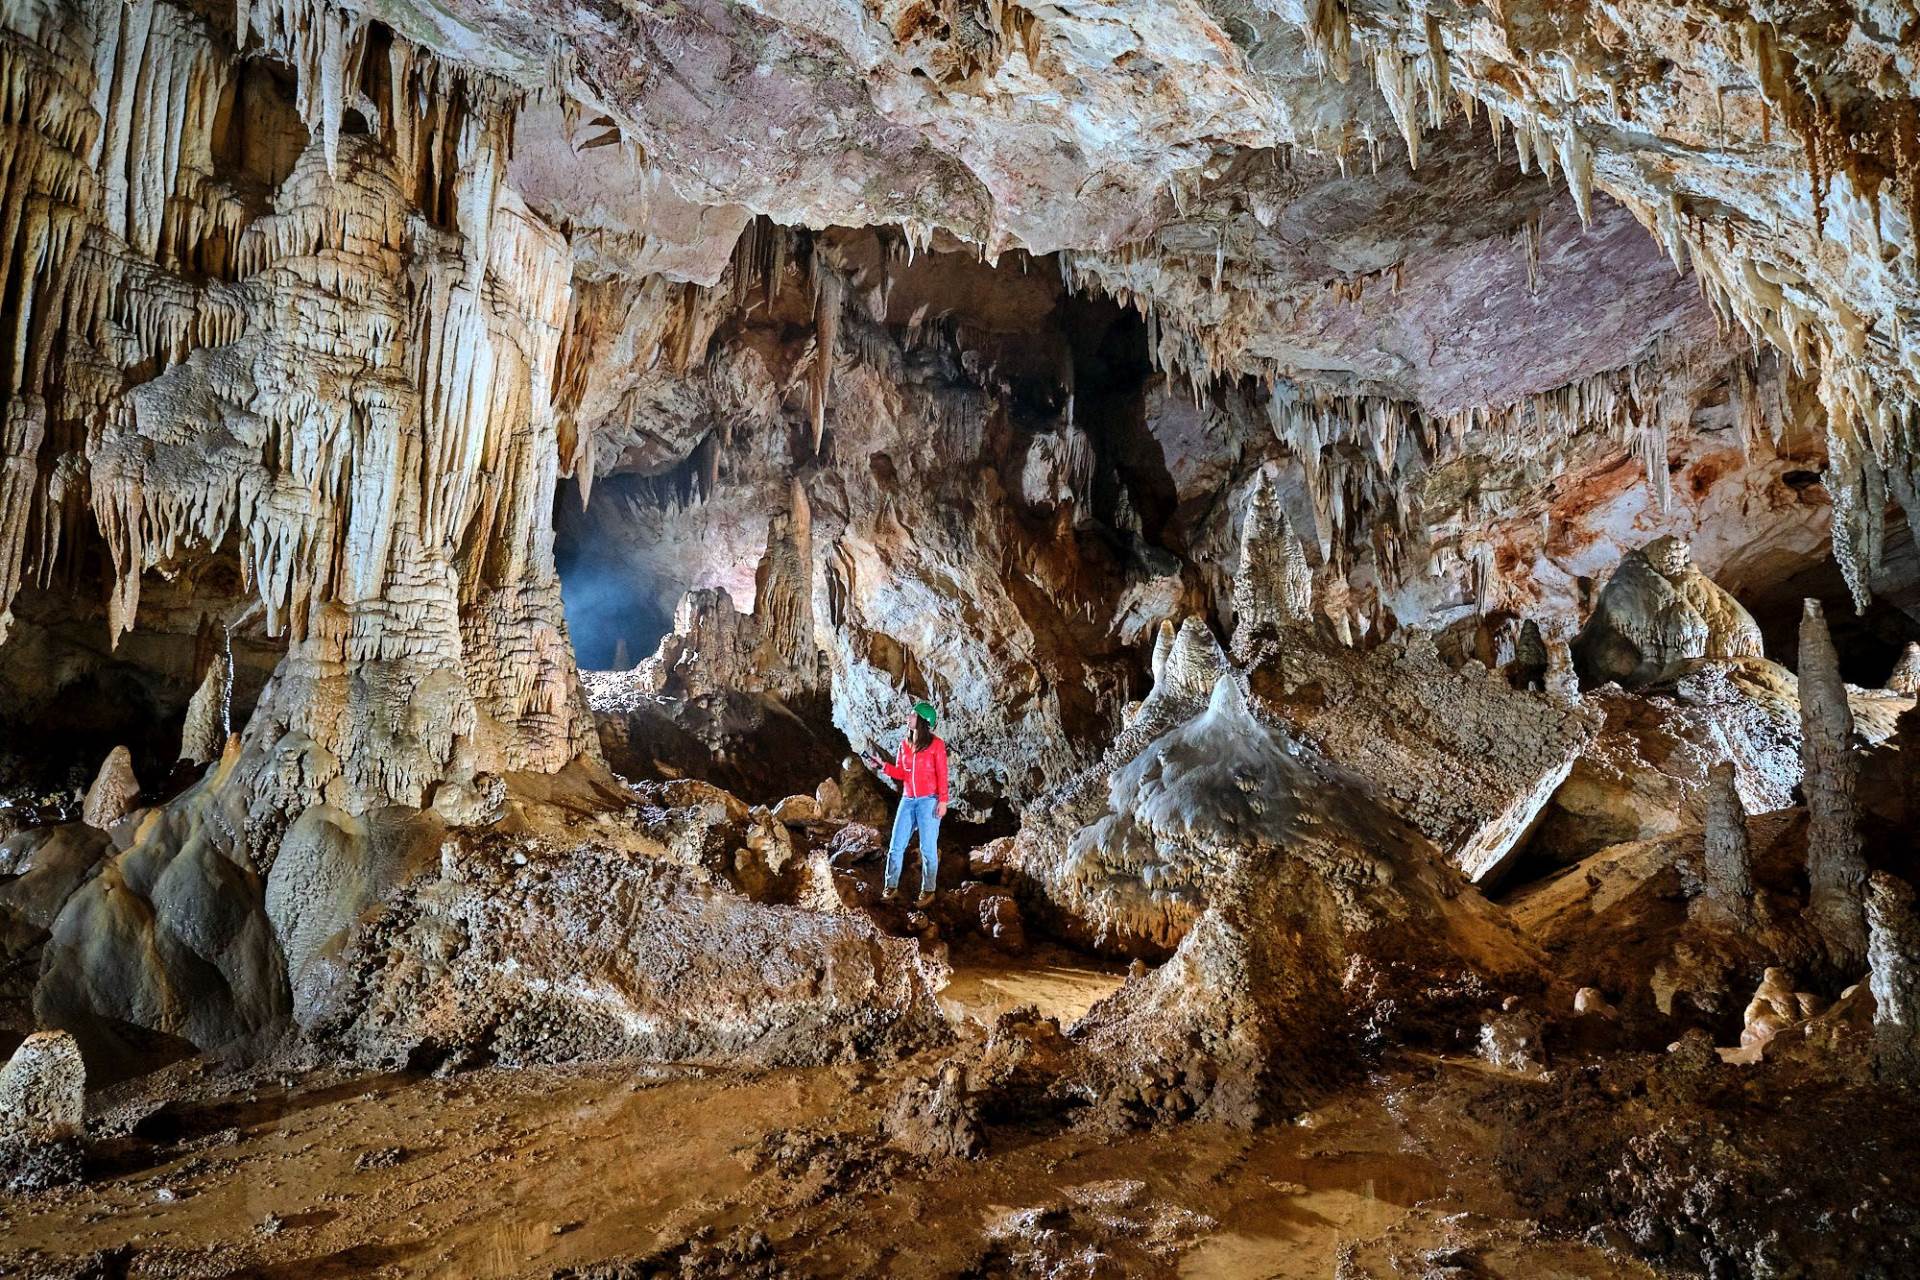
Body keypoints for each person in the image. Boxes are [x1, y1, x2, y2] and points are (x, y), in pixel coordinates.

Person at [864, 701, 949, 906]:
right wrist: (883, 765)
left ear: (922, 720)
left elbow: (942, 774)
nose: (907, 718)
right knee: (896, 845)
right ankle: (890, 887)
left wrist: (943, 801)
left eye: (912, 715)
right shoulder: (904, 745)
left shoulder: (936, 745)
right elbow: (902, 773)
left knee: (928, 848)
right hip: (908, 799)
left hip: (929, 800)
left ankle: (928, 890)